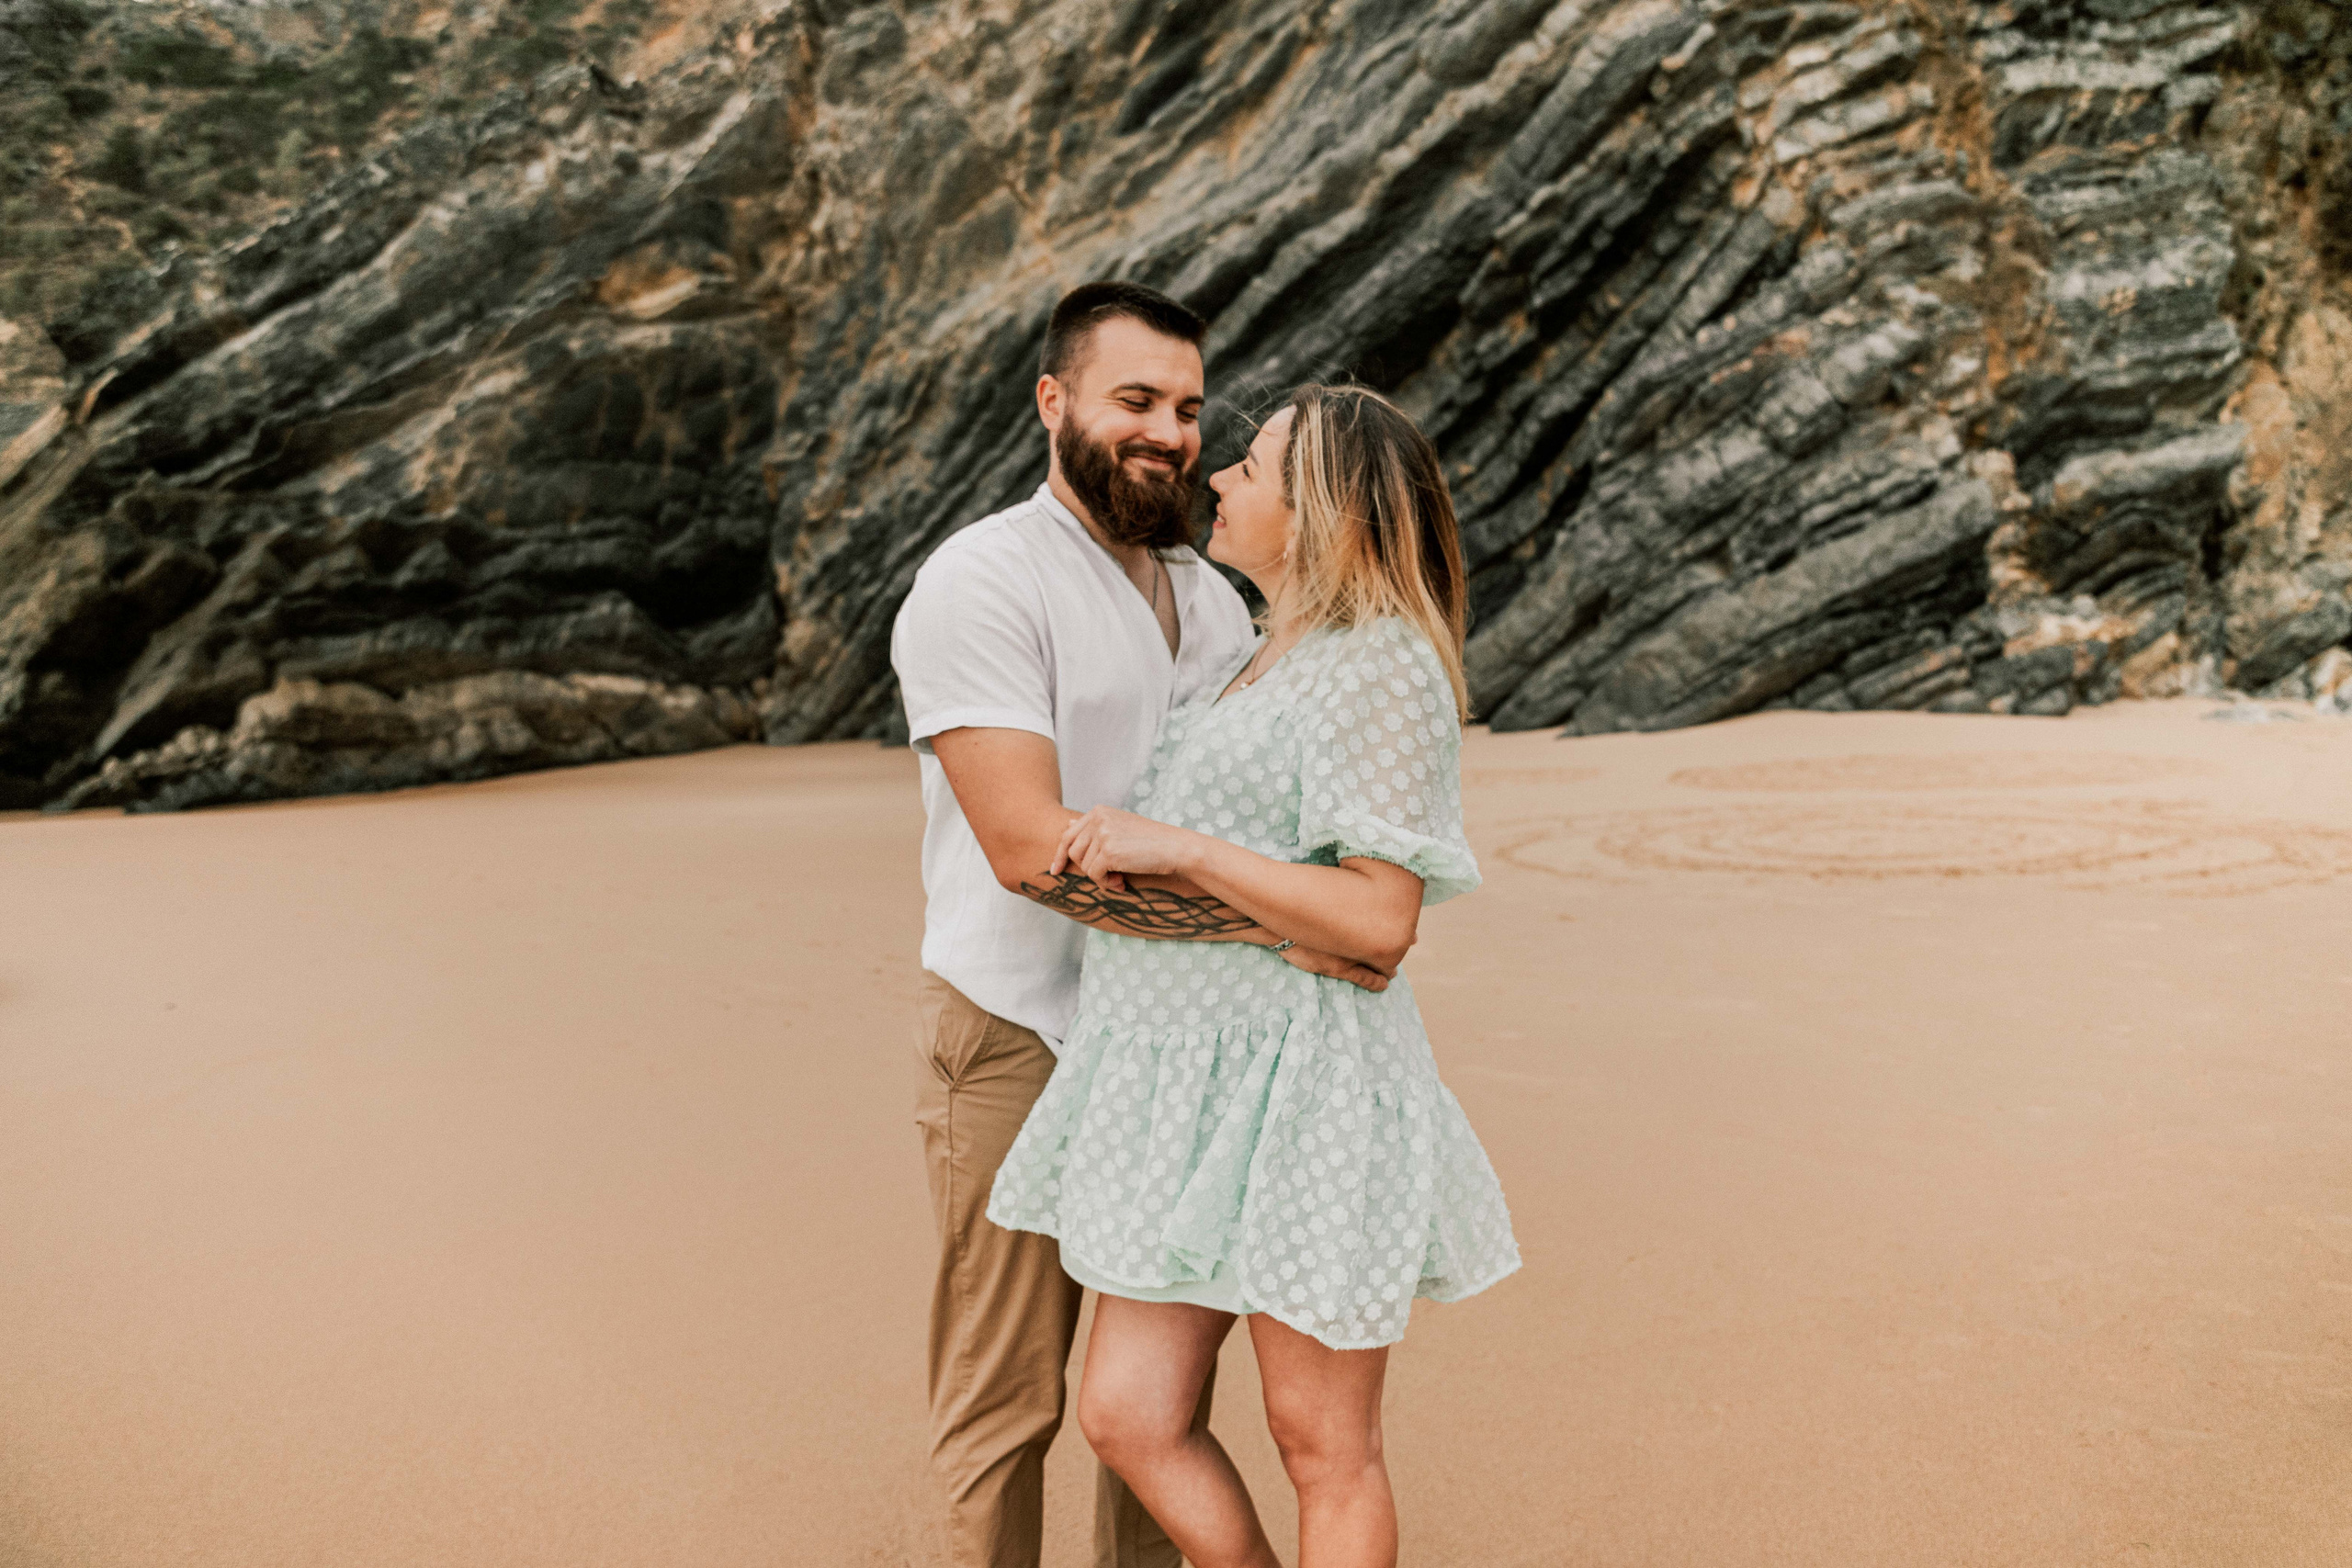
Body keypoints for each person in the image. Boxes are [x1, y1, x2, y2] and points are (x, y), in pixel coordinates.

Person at [889, 283, 1397, 1568]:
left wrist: (1289, 922)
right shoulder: (982, 581)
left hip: (1176, 1051)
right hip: (1018, 1031)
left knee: (1151, 1415)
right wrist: (1278, 930)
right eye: (1134, 401)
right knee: (1006, 1404)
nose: (1169, 433)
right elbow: (1024, 849)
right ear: (1054, 402)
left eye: (1185, 408)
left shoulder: (1214, 596)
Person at [984, 384, 1522, 1568]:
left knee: (1323, 1445)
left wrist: (1173, 846)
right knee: (1127, 1415)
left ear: (1329, 511)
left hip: (1302, 1083)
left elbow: (1381, 918)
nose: (1219, 477)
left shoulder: (1378, 665)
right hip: (1178, 1087)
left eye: (1257, 466)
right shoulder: (1262, 652)